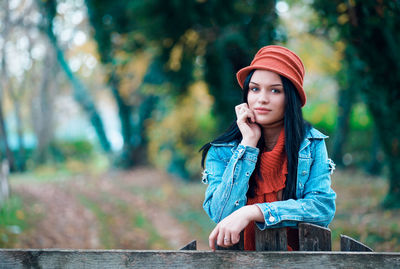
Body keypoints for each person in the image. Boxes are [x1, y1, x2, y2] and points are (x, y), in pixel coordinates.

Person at [200, 45, 336, 251]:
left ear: (291, 97)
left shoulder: (310, 145)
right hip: (238, 263)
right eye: (255, 89)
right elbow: (220, 213)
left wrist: (253, 211)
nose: (262, 98)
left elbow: (321, 208)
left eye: (275, 90)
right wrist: (247, 144)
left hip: (298, 263)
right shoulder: (222, 151)